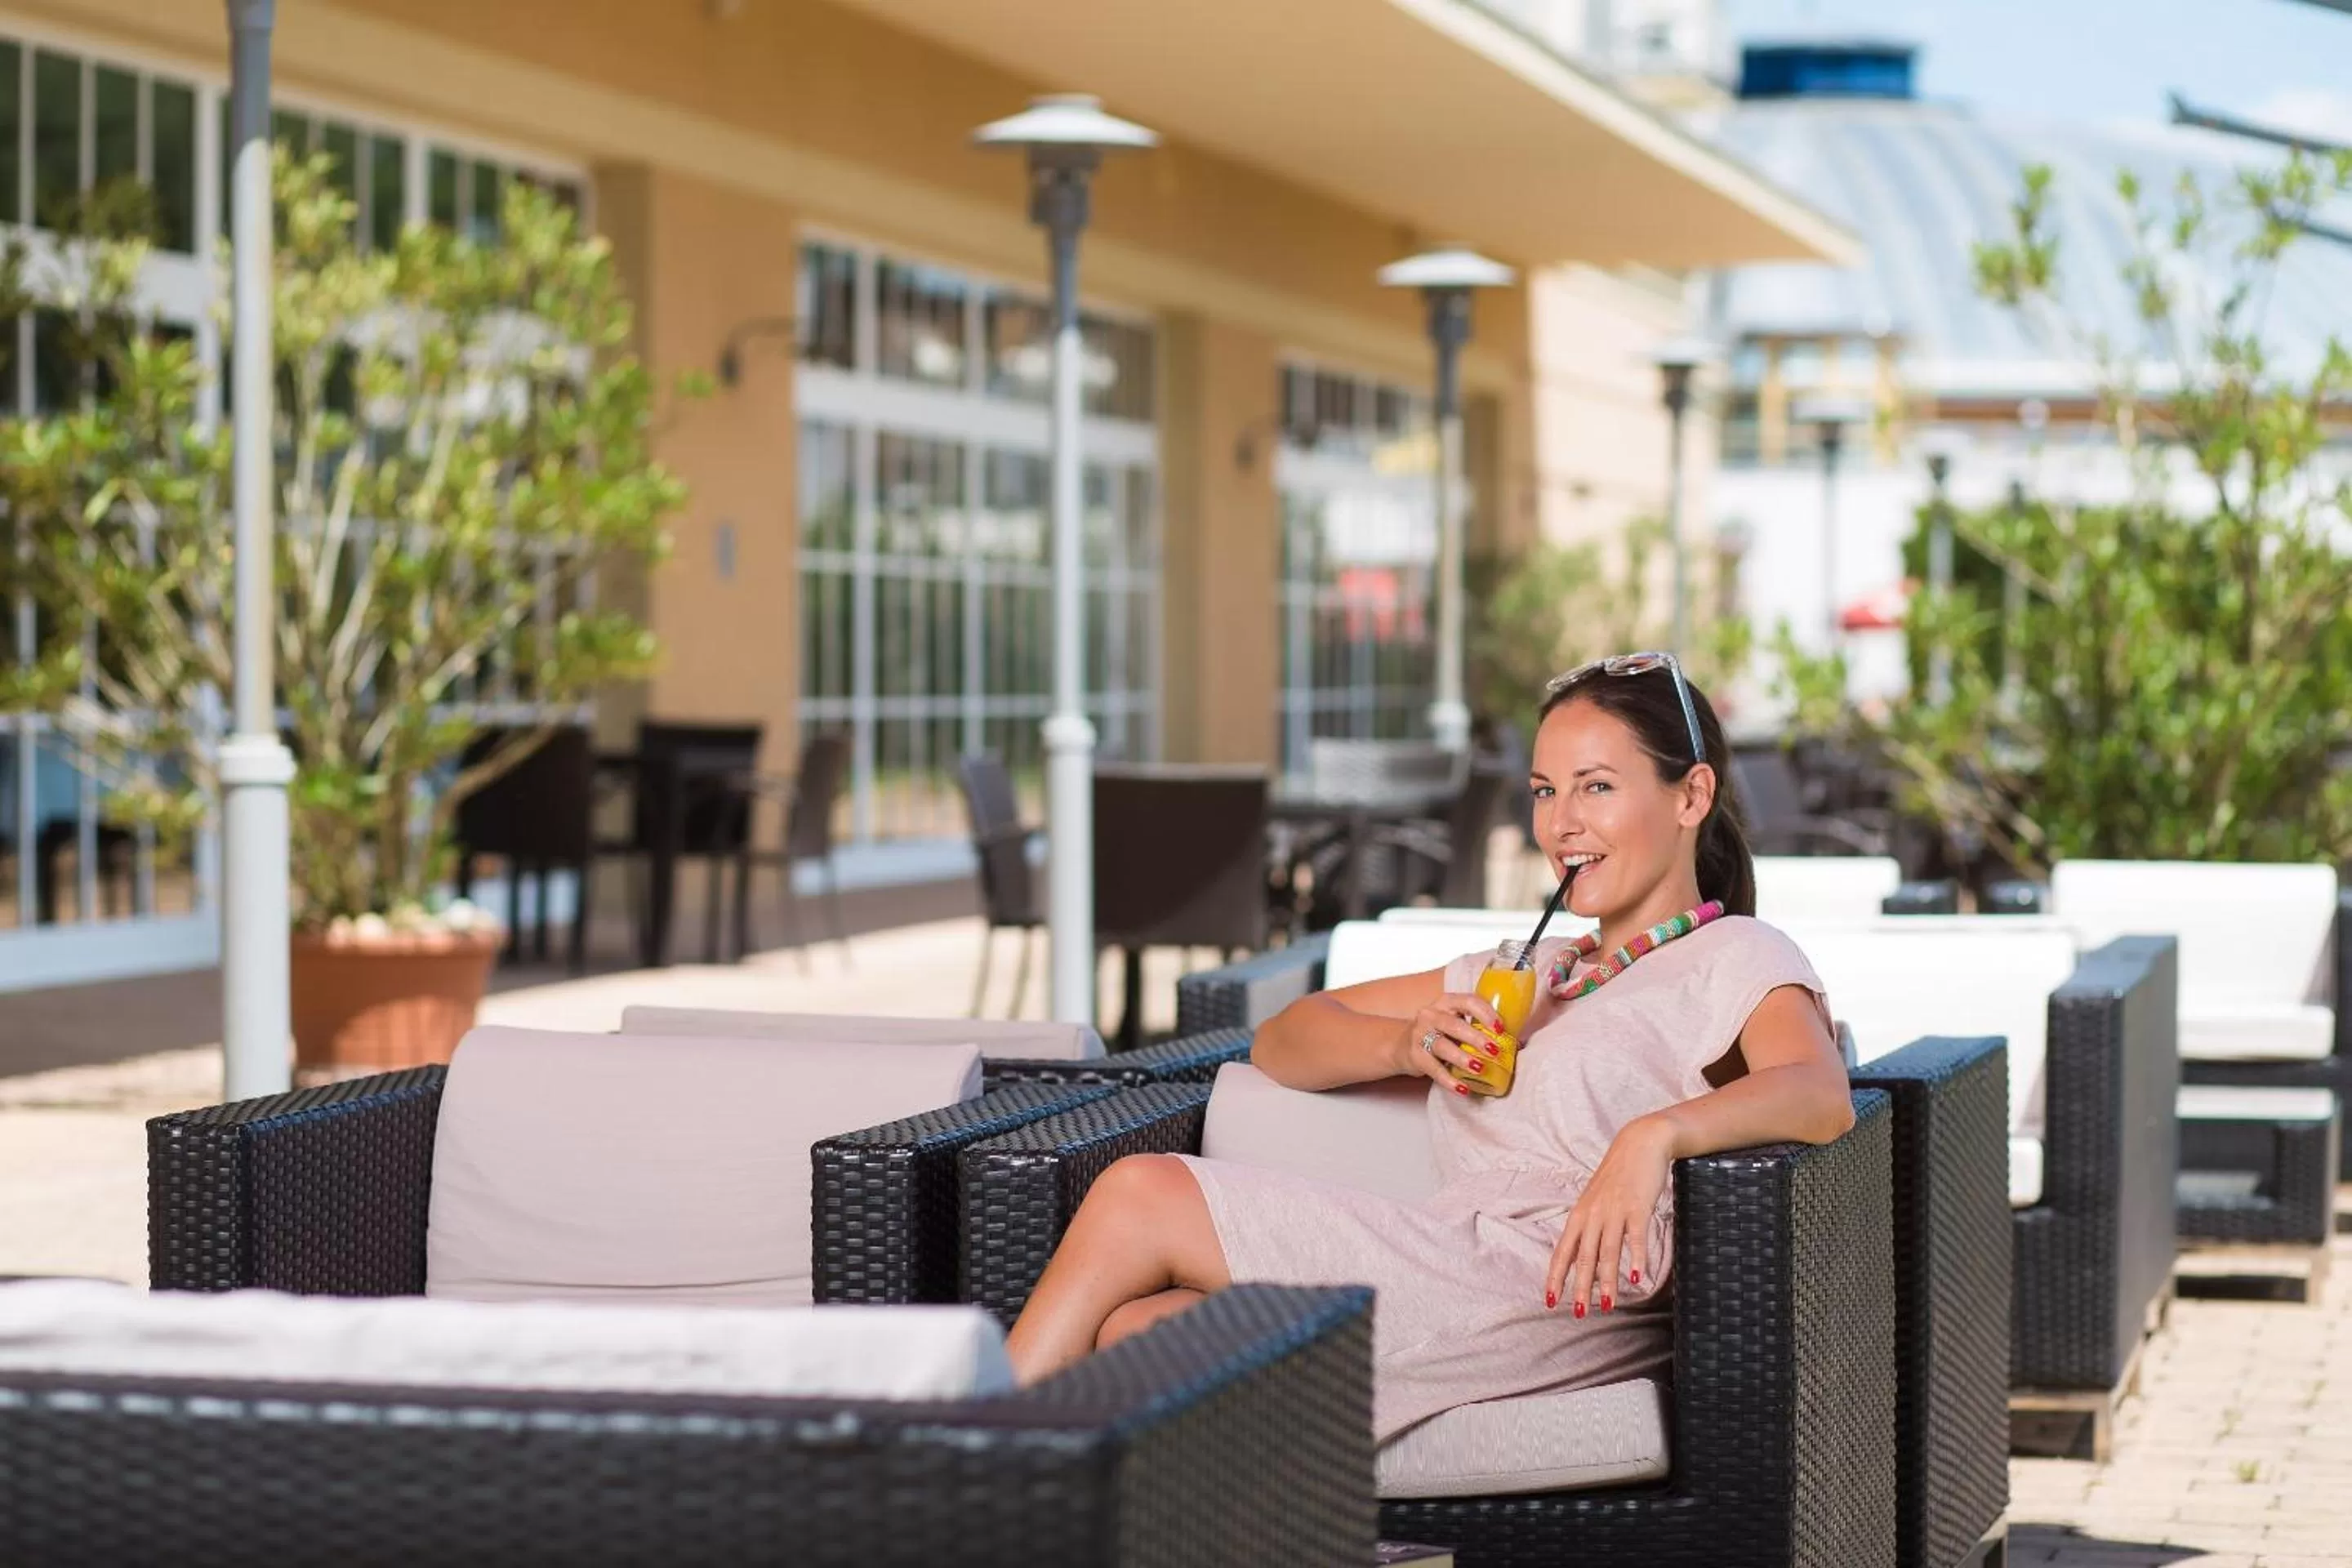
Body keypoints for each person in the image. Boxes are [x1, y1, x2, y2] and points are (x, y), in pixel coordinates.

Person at [1003, 654, 1853, 1441]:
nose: (1561, 824)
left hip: (1555, 1288)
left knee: (1140, 1193)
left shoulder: (1735, 953)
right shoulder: (1527, 971)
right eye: (1544, 791)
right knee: (1137, 1331)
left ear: (1690, 796)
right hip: (1455, 1259)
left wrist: (1654, 1135)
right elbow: (1284, 1040)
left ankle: (956, 1476)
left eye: (1596, 788)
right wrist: (1409, 1043)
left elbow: (1818, 1091)